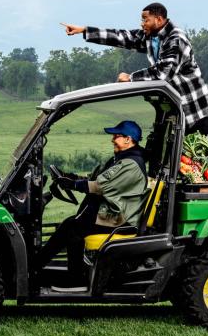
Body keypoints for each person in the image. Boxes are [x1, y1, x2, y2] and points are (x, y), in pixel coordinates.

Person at [60, 2, 208, 139]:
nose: (142, 24)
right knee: (162, 153)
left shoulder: (176, 39)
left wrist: (131, 78)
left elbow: (163, 73)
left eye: (145, 19)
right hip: (173, 107)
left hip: (194, 109)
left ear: (159, 19)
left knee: (193, 160)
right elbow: (122, 37)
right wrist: (84, 30)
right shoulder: (151, 36)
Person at [37, 120, 148, 292]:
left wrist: (73, 184)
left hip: (119, 220)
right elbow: (97, 179)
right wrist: (71, 177)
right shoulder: (121, 159)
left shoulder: (131, 165)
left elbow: (99, 186)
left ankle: (73, 278)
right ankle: (39, 266)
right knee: (70, 225)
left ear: (128, 139)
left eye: (116, 136)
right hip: (113, 214)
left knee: (72, 228)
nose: (112, 139)